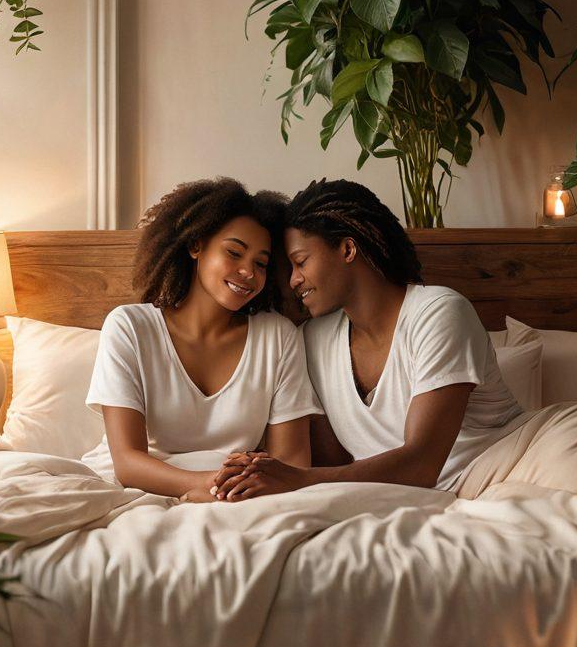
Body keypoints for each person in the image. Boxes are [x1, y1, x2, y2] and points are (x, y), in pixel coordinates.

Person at [214, 178, 528, 501]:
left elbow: (422, 465)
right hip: (409, 499)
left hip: (505, 476)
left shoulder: (439, 314)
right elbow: (333, 463)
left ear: (348, 249)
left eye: (301, 262)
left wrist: (299, 481)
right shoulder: (313, 341)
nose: (294, 280)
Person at [81, 178, 321, 503]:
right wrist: (212, 486)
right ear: (196, 245)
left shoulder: (277, 337)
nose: (248, 272)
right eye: (234, 253)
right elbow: (127, 463)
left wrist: (231, 490)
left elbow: (291, 464)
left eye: (261, 263)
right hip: (137, 490)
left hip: (240, 494)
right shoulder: (130, 328)